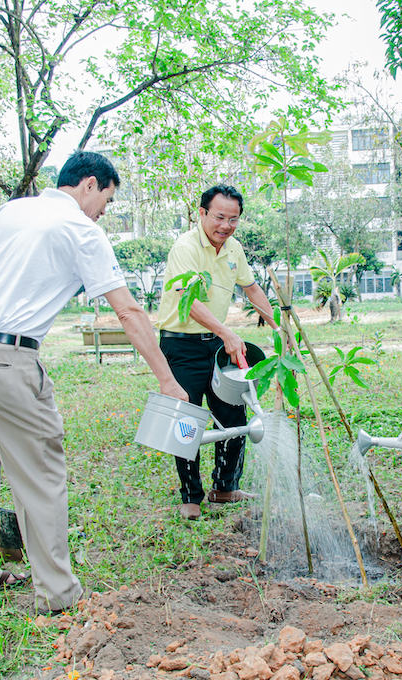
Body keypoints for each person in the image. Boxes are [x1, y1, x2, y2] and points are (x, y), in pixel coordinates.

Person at [0, 151, 187, 614]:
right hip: (6, 359)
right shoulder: (80, 229)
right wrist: (167, 381)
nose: (103, 213)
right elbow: (129, 311)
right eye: (107, 202)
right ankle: (57, 593)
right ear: (90, 185)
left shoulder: (9, 210)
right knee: (41, 472)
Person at [156, 185, 278, 521]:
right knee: (188, 419)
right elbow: (188, 300)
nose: (225, 225)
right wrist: (227, 332)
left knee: (234, 415)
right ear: (202, 213)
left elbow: (251, 288)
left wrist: (280, 328)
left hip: (217, 345)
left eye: (233, 218)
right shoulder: (185, 247)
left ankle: (225, 487)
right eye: (219, 216)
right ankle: (191, 496)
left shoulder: (233, 249)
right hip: (181, 345)